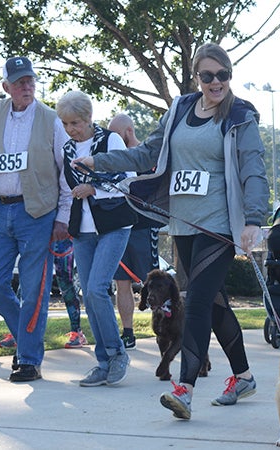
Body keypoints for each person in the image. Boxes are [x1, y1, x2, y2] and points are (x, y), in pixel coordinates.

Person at [72, 43, 268, 420]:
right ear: (197, 76)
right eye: (207, 76)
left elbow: (253, 171)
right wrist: (99, 160)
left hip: (219, 224)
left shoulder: (240, 115)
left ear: (230, 76)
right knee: (214, 304)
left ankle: (185, 389)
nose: (216, 82)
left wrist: (254, 220)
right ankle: (243, 376)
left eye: (222, 75)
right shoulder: (179, 109)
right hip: (183, 223)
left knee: (194, 302)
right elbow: (148, 154)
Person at [0, 56, 70, 382]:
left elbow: (66, 172)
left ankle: (29, 360)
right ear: (6, 86)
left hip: (38, 213)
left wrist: (63, 218)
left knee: (33, 291)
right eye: (19, 81)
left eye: (30, 80)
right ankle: (28, 339)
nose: (26, 86)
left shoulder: (51, 120)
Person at [57, 90, 135, 387]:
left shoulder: (109, 140)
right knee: (88, 295)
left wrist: (94, 189)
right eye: (65, 124)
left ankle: (117, 354)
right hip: (83, 229)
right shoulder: (67, 149)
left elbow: (126, 177)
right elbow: (69, 186)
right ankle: (102, 362)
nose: (70, 129)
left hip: (114, 225)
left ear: (89, 118)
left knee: (97, 288)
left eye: (75, 122)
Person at [107, 113, 163, 350]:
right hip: (120, 228)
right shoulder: (116, 159)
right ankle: (128, 332)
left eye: (117, 135)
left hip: (144, 227)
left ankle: (163, 329)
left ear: (128, 132)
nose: (114, 140)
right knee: (122, 282)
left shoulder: (147, 158)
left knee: (154, 283)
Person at [52, 237, 87, 349]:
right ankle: (17, 332)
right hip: (40, 234)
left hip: (62, 237)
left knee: (66, 286)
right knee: (25, 285)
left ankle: (77, 332)